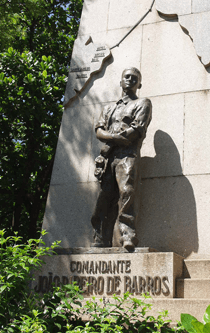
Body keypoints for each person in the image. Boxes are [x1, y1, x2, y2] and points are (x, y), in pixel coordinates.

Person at [91, 67, 152, 251]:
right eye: (127, 77)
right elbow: (99, 131)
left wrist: (113, 138)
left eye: (135, 78)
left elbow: (136, 130)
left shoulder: (142, 103)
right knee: (105, 197)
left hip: (128, 155)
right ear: (121, 81)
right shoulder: (108, 108)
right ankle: (101, 237)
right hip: (109, 157)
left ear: (139, 84)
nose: (130, 80)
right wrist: (116, 139)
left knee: (127, 192)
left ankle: (128, 236)